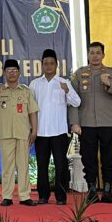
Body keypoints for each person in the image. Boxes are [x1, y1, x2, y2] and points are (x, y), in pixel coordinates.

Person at [69, 41, 112, 203]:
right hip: (86, 123)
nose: (95, 56)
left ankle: (107, 190)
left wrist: (109, 84)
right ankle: (92, 190)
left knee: (109, 157)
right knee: (88, 158)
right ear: (88, 55)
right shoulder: (80, 74)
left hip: (108, 122)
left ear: (103, 55)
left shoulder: (111, 72)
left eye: (98, 53)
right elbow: (72, 100)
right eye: (92, 53)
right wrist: (74, 122)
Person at [29, 48, 81, 205]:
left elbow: (77, 102)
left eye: (52, 63)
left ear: (56, 65)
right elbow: (30, 108)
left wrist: (67, 92)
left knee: (61, 165)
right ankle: (43, 196)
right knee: (42, 165)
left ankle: (61, 196)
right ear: (42, 65)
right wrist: (32, 129)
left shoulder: (64, 83)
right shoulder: (34, 84)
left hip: (59, 132)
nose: (49, 66)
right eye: (46, 63)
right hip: (41, 132)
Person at [0, 58, 39, 207]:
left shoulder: (25, 91)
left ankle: (25, 196)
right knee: (7, 167)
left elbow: (33, 112)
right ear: (4, 73)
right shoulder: (0, 90)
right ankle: (7, 196)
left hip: (23, 133)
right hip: (5, 134)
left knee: (23, 166)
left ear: (19, 73)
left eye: (14, 71)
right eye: (8, 71)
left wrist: (34, 131)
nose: (11, 73)